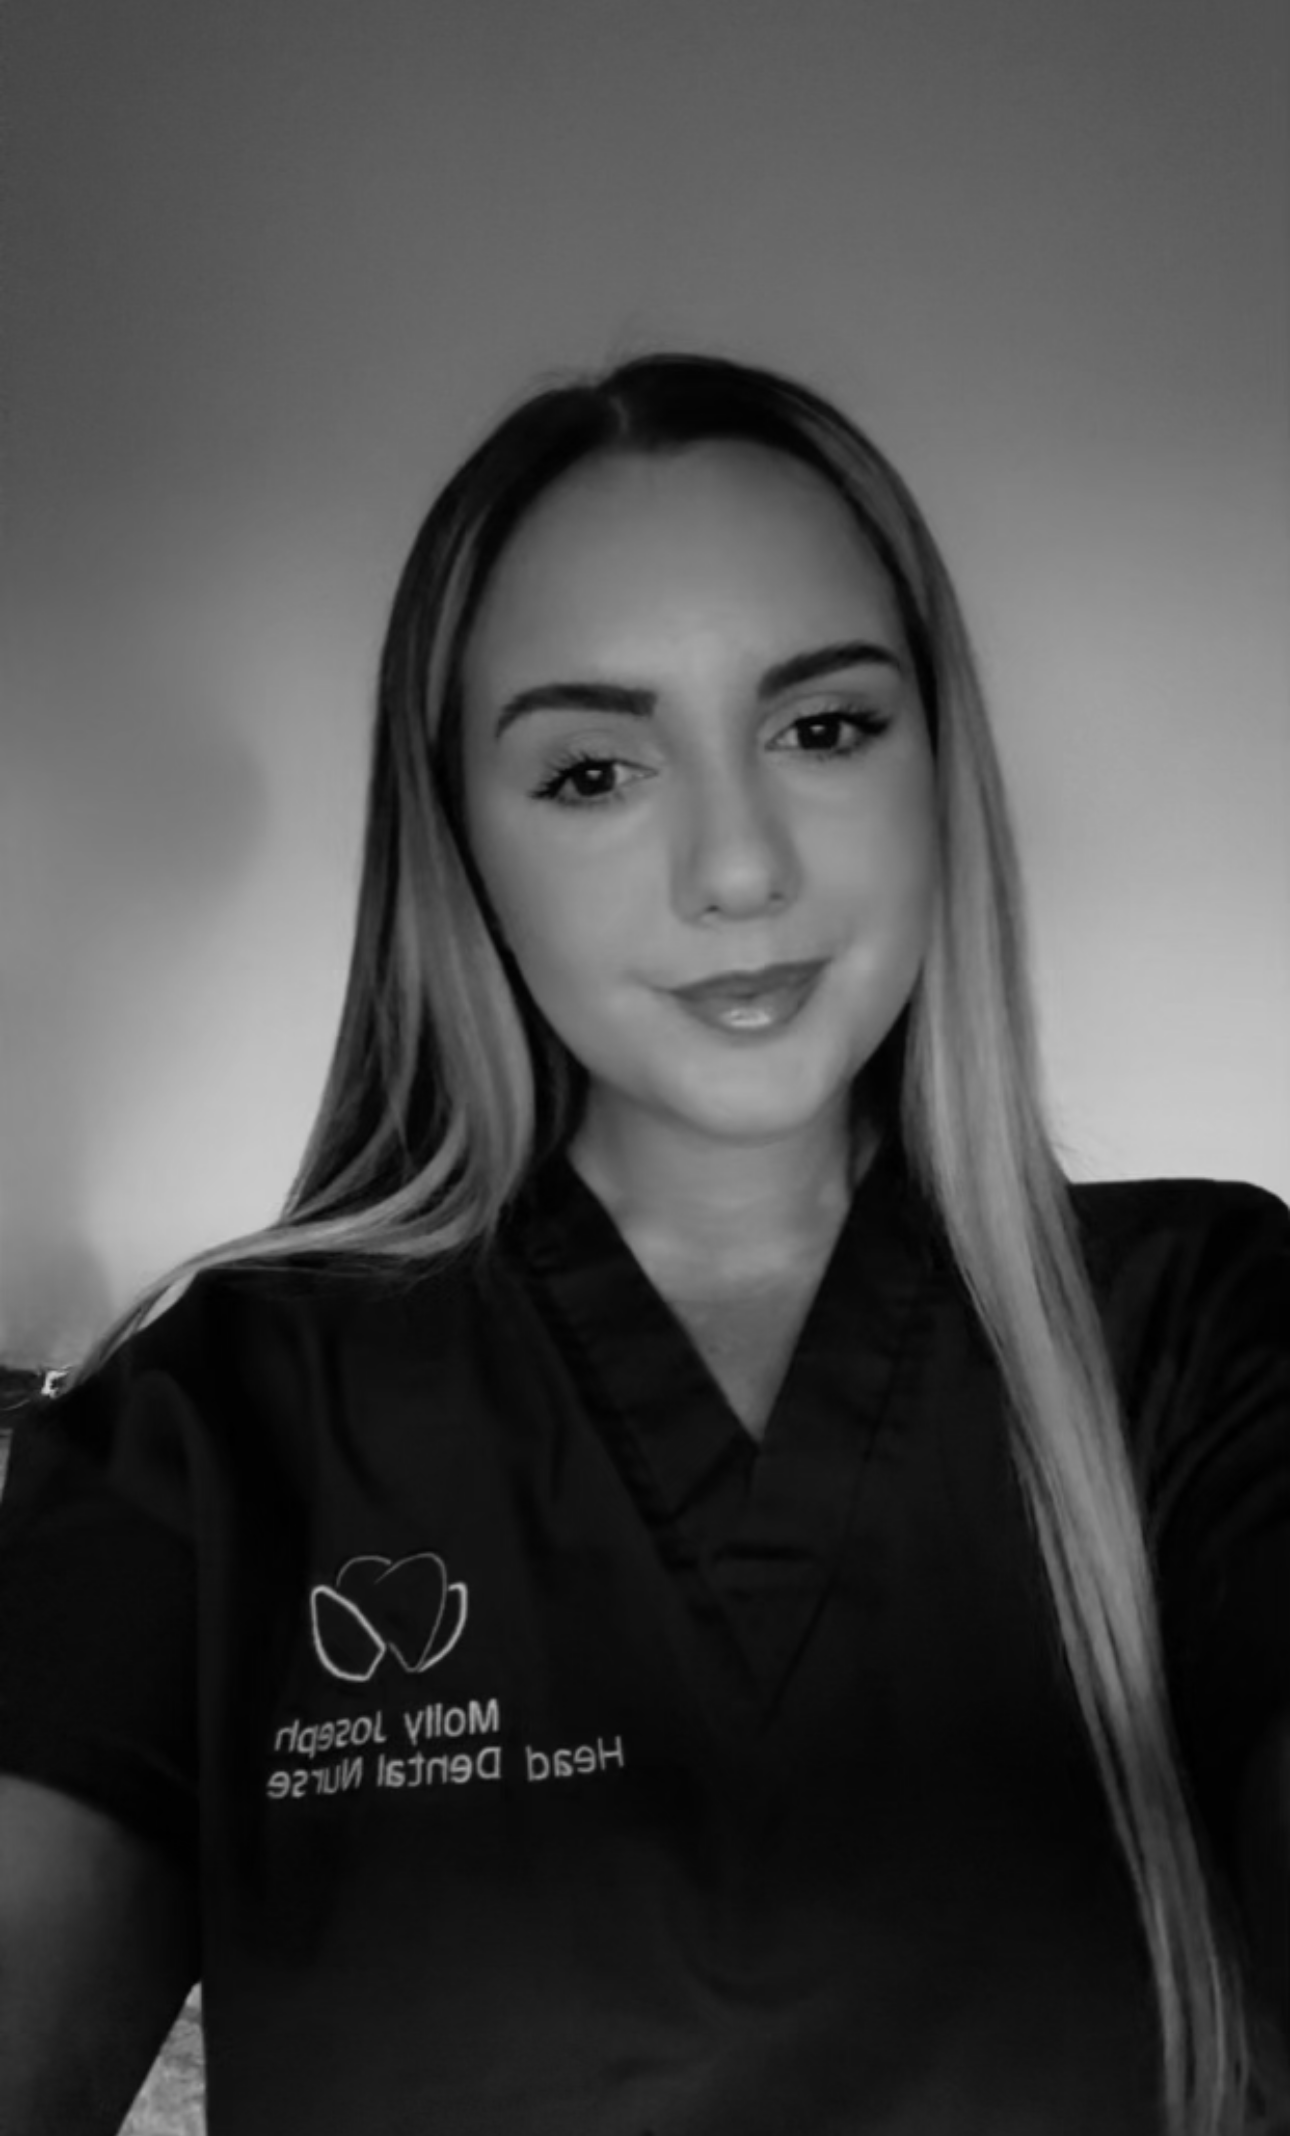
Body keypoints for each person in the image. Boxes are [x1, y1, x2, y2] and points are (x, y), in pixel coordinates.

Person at [0, 349, 1286, 2136]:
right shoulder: (219, 1415)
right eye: (594, 770)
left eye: (823, 728)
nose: (739, 869)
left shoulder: (1208, 1336)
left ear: (937, 767)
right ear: (460, 841)